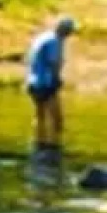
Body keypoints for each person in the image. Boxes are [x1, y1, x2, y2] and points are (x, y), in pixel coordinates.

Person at [25, 15, 76, 156]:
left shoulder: (43, 37)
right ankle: (56, 146)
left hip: (33, 82)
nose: (71, 34)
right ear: (65, 30)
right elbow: (54, 63)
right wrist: (57, 80)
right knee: (57, 119)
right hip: (46, 84)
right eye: (70, 30)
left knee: (39, 116)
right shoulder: (55, 41)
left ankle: (38, 143)